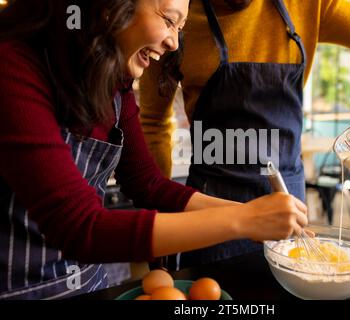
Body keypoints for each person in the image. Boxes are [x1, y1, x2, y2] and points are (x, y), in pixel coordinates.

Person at [0, 0, 309, 300]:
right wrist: (244, 220)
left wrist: (244, 213)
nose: (174, 42)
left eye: (181, 27)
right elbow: (80, 228)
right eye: (168, 19)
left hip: (91, 285)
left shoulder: (114, 86)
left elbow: (148, 184)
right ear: (112, 7)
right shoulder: (13, 67)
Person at [139, 0, 350, 268]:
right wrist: (156, 219)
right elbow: (153, 122)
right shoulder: (174, 17)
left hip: (287, 200)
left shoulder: (307, 5)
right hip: (209, 208)